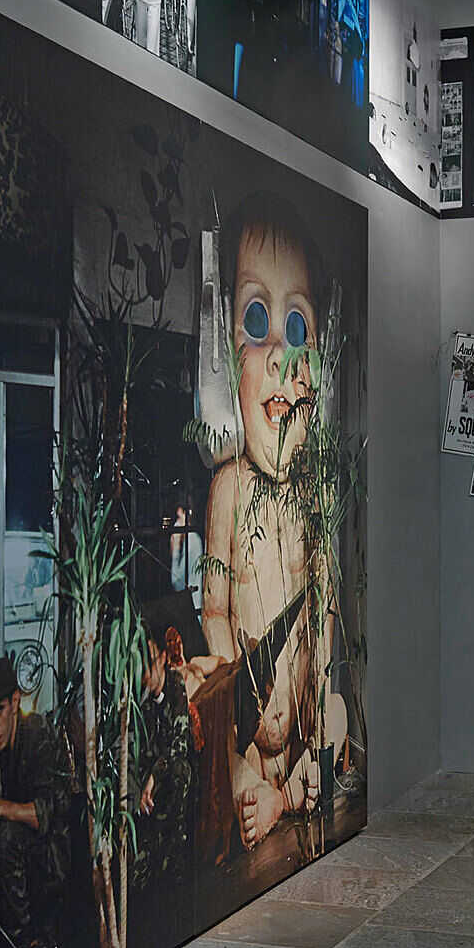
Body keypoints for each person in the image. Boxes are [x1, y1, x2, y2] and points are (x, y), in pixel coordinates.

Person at [198, 195, 343, 852]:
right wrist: (241, 722)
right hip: (250, 740)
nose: (282, 358)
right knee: (220, 761)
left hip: (305, 733)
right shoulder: (228, 489)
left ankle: (291, 791)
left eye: (298, 327)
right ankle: (263, 791)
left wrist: (319, 716)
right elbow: (216, 611)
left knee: (339, 718)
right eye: (257, 321)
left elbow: (324, 608)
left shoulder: (314, 494)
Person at [0, 655, 73, 948]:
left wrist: (1, 805)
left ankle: (26, 947)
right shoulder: (5, 746)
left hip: (57, 859)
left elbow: (44, 815)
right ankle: (19, 939)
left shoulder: (37, 735)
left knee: (6, 836)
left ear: (15, 702)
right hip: (37, 855)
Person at [131, 626, 200, 903]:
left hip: (171, 783)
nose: (144, 674)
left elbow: (178, 744)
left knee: (181, 768)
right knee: (139, 882)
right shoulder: (140, 701)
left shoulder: (175, 684)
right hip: (150, 797)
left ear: (162, 658)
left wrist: (153, 777)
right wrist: (141, 790)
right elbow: (136, 755)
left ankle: (178, 859)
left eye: (149, 663)